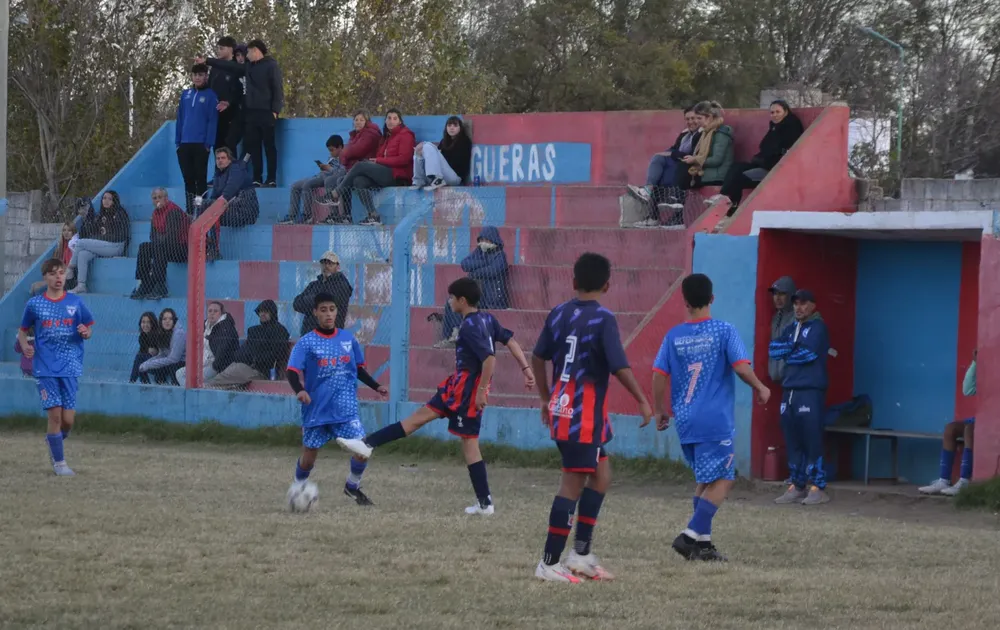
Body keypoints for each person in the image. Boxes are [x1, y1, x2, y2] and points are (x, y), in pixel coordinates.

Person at [336, 277, 535, 516]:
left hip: (467, 391)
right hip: (456, 386)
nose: (449, 301)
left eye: (451, 298)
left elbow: (489, 359)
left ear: (462, 300)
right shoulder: (487, 319)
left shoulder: (472, 325)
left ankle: (485, 504)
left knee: (469, 443)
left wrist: (482, 391)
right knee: (417, 420)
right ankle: (367, 444)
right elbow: (510, 340)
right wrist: (526, 369)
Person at [529, 253, 654, 583]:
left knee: (601, 476)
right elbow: (618, 365)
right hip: (581, 417)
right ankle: (549, 562)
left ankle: (580, 555)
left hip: (569, 411)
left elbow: (537, 355)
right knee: (572, 483)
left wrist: (545, 397)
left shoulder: (558, 313)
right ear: (607, 285)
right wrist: (642, 400)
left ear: (573, 282)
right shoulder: (603, 318)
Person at [652, 273, 770, 562]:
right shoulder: (723, 331)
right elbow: (741, 367)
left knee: (707, 479)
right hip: (714, 418)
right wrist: (760, 386)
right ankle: (690, 535)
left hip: (686, 418)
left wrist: (660, 410)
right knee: (725, 478)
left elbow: (658, 374)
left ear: (685, 301)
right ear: (712, 298)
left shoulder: (674, 336)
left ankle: (702, 545)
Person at [286, 293, 389, 506]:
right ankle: (298, 487)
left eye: (332, 309)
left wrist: (376, 386)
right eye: (323, 310)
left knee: (363, 448)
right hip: (317, 409)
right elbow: (292, 371)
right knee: (309, 455)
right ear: (315, 312)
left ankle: (352, 486)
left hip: (345, 409)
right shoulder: (306, 343)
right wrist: (300, 390)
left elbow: (359, 370)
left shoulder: (348, 340)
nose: (328, 314)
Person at [17, 258, 94, 476]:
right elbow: (23, 331)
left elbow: (88, 328)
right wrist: (25, 347)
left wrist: (85, 333)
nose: (58, 277)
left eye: (61, 273)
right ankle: (60, 464)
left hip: (70, 366)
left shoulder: (75, 302)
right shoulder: (35, 304)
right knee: (55, 416)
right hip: (45, 367)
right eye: (53, 273)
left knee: (68, 421)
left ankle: (54, 442)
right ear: (45, 277)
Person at [769, 289, 831, 505]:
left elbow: (808, 354)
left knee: (811, 439)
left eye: (803, 303)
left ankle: (818, 487)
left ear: (813, 305)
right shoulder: (791, 328)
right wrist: (793, 349)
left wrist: (790, 350)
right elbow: (774, 350)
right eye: (795, 303)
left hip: (810, 391)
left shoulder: (818, 328)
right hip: (789, 392)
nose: (799, 307)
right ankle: (797, 485)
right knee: (792, 439)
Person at [201, 39, 283, 186]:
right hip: (251, 113)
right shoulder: (247, 67)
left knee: (269, 146)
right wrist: (207, 61)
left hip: (266, 112)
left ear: (256, 51)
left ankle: (271, 178)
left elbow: (277, 88)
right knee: (254, 146)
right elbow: (228, 65)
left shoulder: (271, 65)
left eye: (249, 52)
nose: (247, 55)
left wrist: (275, 110)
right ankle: (257, 178)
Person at [714, 100, 804, 216]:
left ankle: (731, 206)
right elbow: (765, 147)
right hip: (763, 163)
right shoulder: (774, 127)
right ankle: (724, 198)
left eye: (778, 112)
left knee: (739, 177)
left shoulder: (791, 127)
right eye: (772, 112)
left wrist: (763, 159)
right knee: (736, 166)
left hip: (774, 170)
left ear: (786, 112)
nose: (775, 115)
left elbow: (780, 153)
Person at [333, 109, 415, 226]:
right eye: (389, 118)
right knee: (358, 181)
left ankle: (336, 193)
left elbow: (404, 159)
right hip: (385, 171)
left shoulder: (406, 135)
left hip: (398, 175)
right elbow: (379, 155)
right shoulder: (386, 137)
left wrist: (378, 161)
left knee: (361, 165)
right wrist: (376, 163)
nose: (391, 121)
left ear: (400, 122)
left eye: (394, 118)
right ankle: (373, 215)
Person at [627, 106, 702, 227]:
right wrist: (668, 153)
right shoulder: (685, 135)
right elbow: (674, 148)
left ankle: (662, 216)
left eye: (693, 118)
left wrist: (672, 154)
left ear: (700, 118)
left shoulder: (701, 134)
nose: (690, 122)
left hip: (690, 164)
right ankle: (648, 191)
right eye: (687, 119)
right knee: (657, 159)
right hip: (677, 161)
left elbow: (695, 153)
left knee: (665, 174)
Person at [436, 227, 509, 348]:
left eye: (487, 240)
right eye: (482, 239)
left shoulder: (500, 255)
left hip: (493, 299)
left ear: (494, 240)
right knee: (451, 302)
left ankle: (459, 332)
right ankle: (451, 335)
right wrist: (485, 262)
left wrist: (475, 271)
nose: (484, 242)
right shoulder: (480, 252)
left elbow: (492, 271)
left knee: (462, 303)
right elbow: (465, 264)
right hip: (477, 295)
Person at [919, 350, 977, 496]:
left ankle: (965, 481)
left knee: (969, 430)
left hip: (991, 423)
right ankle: (944, 480)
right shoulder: (988, 372)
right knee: (950, 429)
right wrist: (975, 363)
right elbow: (968, 390)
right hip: (979, 418)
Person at [660, 100, 734, 215]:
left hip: (715, 174)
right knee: (678, 167)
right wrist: (694, 159)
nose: (697, 122)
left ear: (709, 117)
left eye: (699, 118)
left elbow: (716, 160)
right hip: (705, 171)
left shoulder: (721, 134)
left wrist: (695, 160)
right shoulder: (706, 132)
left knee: (683, 167)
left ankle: (676, 201)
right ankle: (675, 202)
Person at [208, 300, 290, 388]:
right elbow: (245, 350)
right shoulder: (254, 330)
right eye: (260, 311)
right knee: (225, 378)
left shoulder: (280, 331)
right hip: (244, 365)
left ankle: (207, 388)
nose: (262, 314)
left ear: (272, 313)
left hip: (259, 370)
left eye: (266, 311)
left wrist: (254, 358)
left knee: (217, 381)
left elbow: (276, 354)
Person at [67, 190, 131, 295]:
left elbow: (121, 235)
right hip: (104, 246)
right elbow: (92, 232)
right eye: (104, 198)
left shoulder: (120, 213)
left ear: (114, 201)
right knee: (83, 254)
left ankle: (70, 268)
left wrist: (100, 239)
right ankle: (81, 285)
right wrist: (86, 216)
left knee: (80, 243)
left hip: (116, 246)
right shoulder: (101, 215)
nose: (106, 201)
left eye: (110, 199)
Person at [176, 63, 219, 215]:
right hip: (184, 144)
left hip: (201, 144)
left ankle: (200, 207)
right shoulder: (185, 94)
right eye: (195, 75)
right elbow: (180, 118)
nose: (197, 78)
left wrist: (208, 143)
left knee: (200, 178)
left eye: (200, 75)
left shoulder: (211, 96)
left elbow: (212, 120)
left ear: (206, 77)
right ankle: (189, 209)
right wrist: (178, 142)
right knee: (188, 178)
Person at [131, 188, 190, 300]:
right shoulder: (155, 214)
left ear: (166, 198)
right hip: (164, 247)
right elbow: (152, 236)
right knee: (144, 247)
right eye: (154, 198)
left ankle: (160, 285)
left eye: (159, 197)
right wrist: (160, 239)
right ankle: (145, 283)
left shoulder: (173, 211)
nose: (157, 200)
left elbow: (172, 238)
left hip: (182, 249)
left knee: (159, 246)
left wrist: (159, 239)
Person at [203, 147, 260, 258]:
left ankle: (215, 249)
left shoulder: (236, 168)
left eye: (223, 158)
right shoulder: (218, 175)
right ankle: (206, 247)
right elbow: (214, 195)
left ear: (229, 159)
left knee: (212, 213)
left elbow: (231, 188)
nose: (220, 160)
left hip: (244, 211)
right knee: (202, 208)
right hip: (229, 210)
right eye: (218, 158)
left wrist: (219, 202)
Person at [280, 135, 346, 225]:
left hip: (327, 179)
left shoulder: (345, 157)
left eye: (332, 150)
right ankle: (292, 216)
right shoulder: (332, 157)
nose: (331, 153)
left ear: (340, 147)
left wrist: (329, 169)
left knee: (307, 184)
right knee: (295, 186)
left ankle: (307, 216)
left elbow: (341, 173)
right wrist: (323, 167)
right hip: (320, 176)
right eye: (329, 150)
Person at [176, 301, 239, 385]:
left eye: (215, 311)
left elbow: (223, 350)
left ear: (221, 313)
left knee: (196, 379)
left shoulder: (226, 328)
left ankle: (196, 391)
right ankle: (192, 394)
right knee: (179, 373)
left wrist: (215, 366)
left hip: (216, 365)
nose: (212, 313)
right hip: (202, 362)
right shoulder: (204, 325)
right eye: (210, 311)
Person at [292, 251, 353, 334]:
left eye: (330, 263)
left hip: (329, 334)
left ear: (337, 266)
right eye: (323, 263)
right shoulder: (314, 284)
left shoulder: (342, 285)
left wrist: (308, 300)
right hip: (309, 332)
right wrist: (316, 300)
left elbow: (326, 303)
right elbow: (296, 304)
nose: (326, 266)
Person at [412, 116, 473, 190]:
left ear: (460, 128)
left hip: (455, 178)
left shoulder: (464, 141)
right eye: (449, 125)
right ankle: (419, 181)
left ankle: (438, 180)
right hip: (444, 175)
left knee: (427, 145)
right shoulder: (444, 141)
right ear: (446, 128)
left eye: (455, 125)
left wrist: (438, 156)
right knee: (419, 151)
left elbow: (458, 164)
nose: (452, 128)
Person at [208, 36, 243, 155]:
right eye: (218, 48)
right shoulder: (215, 68)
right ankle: (219, 173)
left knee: (229, 147)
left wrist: (229, 102)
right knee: (217, 147)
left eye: (222, 48)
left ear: (230, 50)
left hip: (232, 115)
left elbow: (240, 91)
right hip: (216, 115)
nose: (219, 51)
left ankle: (232, 173)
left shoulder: (237, 67)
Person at [138, 308, 186, 385]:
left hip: (182, 362)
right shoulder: (162, 332)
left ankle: (174, 388)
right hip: (171, 362)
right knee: (144, 367)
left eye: (170, 319)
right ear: (161, 321)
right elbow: (162, 354)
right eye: (164, 319)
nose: (167, 321)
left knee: (171, 367)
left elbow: (174, 359)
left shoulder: (179, 334)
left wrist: (149, 364)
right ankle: (147, 387)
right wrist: (146, 363)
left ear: (174, 321)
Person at [767, 276, 796, 385]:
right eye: (775, 294)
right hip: (780, 379)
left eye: (782, 294)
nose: (777, 298)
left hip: (793, 378)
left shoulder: (796, 318)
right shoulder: (776, 318)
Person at [130, 312, 160, 383]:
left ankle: (132, 381)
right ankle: (144, 383)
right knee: (140, 359)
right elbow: (149, 351)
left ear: (153, 324)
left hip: (160, 366)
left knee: (140, 357)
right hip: (148, 362)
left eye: (148, 322)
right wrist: (148, 351)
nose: (145, 325)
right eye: (143, 322)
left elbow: (155, 352)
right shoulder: (142, 336)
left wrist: (149, 351)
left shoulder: (157, 335)